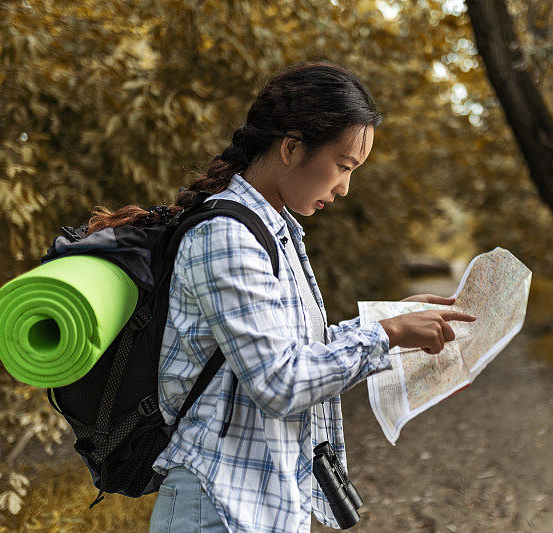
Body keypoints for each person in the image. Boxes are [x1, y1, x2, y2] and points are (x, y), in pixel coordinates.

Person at [88, 60, 475, 532]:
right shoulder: (226, 236)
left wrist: (393, 320)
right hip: (217, 506)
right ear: (292, 147)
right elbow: (281, 382)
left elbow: (294, 352)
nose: (345, 187)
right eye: (342, 166)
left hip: (266, 504)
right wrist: (386, 335)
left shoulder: (276, 230)